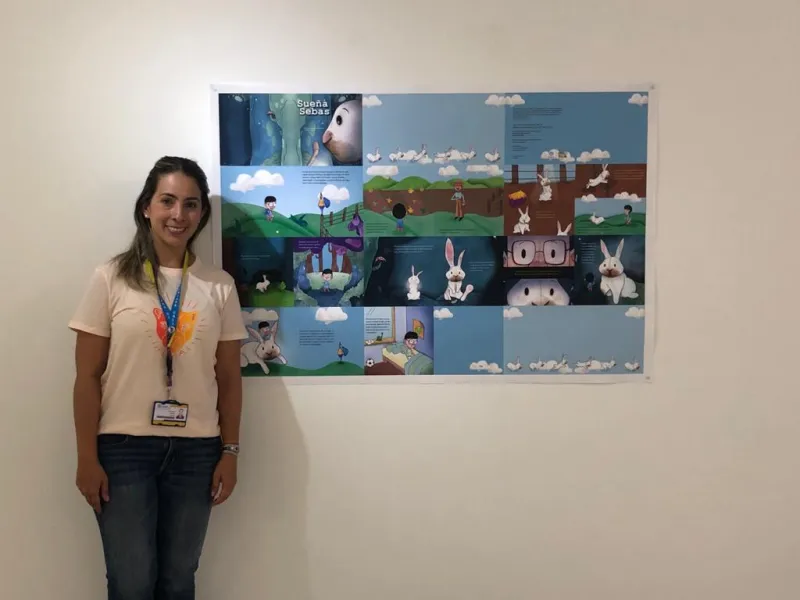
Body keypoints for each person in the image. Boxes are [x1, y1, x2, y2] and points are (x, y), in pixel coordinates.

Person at [68, 156, 248, 600]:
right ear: (146, 207)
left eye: (191, 204)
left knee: (178, 581)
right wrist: (86, 457)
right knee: (131, 583)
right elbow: (87, 376)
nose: (178, 214)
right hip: (123, 451)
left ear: (201, 213)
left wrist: (230, 451)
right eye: (167, 201)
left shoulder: (219, 285)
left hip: (197, 452)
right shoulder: (111, 278)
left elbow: (229, 378)